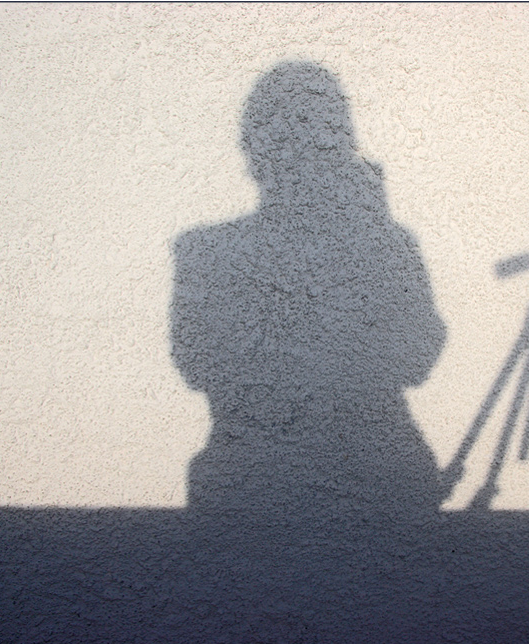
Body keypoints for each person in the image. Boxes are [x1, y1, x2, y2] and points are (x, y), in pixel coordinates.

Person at [170, 62, 446, 525]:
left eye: (325, 137)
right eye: (299, 137)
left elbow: (416, 356)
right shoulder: (209, 253)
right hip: (266, 488)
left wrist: (367, 241)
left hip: (368, 487)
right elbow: (200, 362)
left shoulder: (384, 243)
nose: (311, 155)